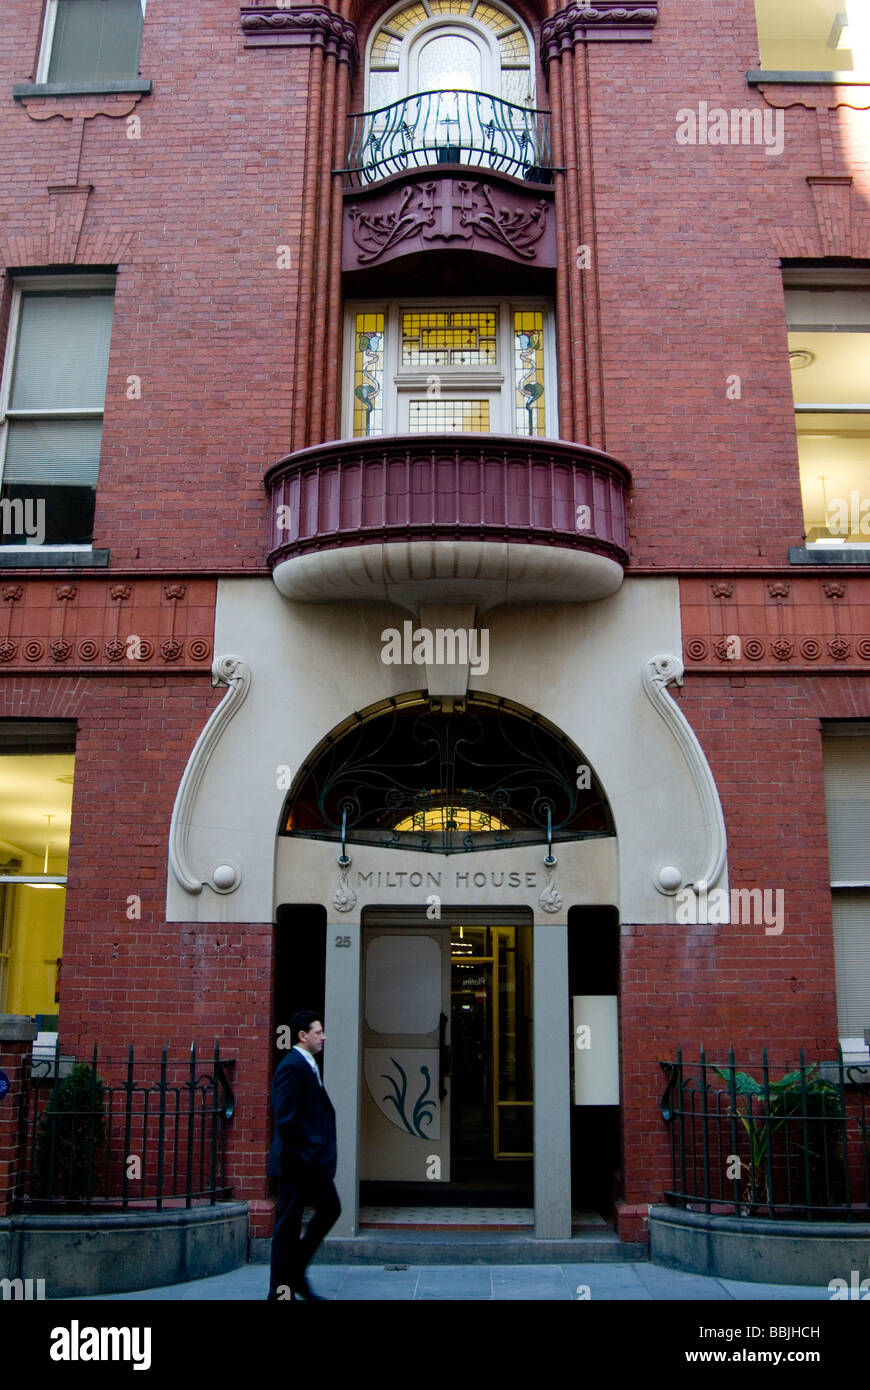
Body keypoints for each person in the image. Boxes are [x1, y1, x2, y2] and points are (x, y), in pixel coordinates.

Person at [267, 1010, 340, 1300]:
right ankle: (282, 1288)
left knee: (327, 1210)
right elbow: (286, 1119)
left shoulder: (306, 1064)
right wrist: (305, 1156)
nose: (323, 1037)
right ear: (302, 1036)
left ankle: (292, 1276)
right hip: (297, 1164)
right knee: (288, 1227)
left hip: (305, 1163)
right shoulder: (292, 1067)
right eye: (318, 1032)